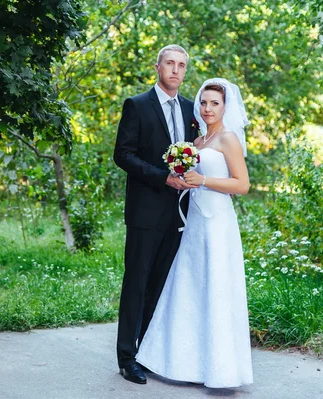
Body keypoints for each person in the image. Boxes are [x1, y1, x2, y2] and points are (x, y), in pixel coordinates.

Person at [135, 78, 254, 388]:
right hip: (194, 222)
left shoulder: (228, 139)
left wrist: (202, 181)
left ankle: (221, 370)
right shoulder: (196, 143)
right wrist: (181, 177)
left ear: (226, 107)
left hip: (217, 222)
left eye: (214, 103)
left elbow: (242, 185)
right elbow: (190, 176)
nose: (207, 108)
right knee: (190, 286)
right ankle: (183, 364)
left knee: (215, 286)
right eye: (203, 102)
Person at [113, 44, 199, 384]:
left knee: (160, 286)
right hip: (145, 211)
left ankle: (147, 353)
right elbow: (123, 155)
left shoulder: (193, 109)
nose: (175, 70)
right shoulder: (137, 105)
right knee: (136, 283)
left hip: (180, 215)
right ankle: (126, 358)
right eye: (170, 64)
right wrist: (161, 177)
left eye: (181, 65)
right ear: (158, 67)